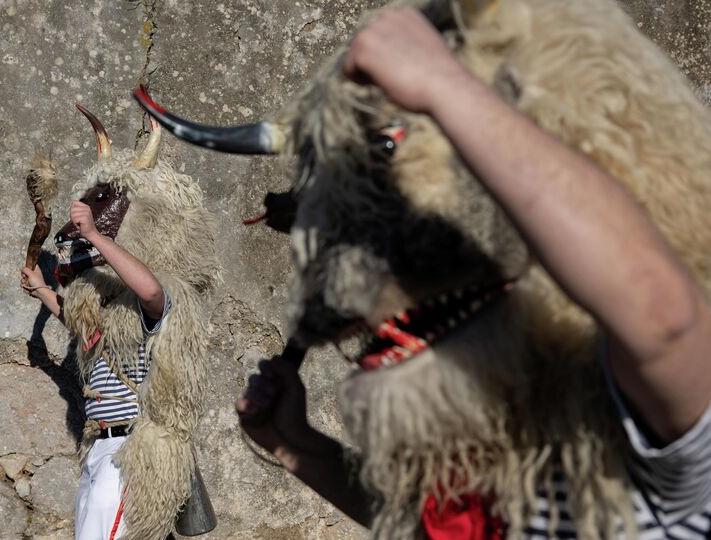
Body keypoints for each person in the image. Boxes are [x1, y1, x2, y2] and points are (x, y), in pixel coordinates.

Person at [238, 6, 711, 538]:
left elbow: (660, 315)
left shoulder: (644, 427)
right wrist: (299, 448)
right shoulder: (511, 449)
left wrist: (442, 86)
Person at [22, 200, 170, 539]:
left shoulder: (145, 317)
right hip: (98, 449)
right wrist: (41, 289)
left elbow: (151, 290)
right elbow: (79, 325)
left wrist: (94, 234)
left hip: (129, 451)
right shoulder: (104, 324)